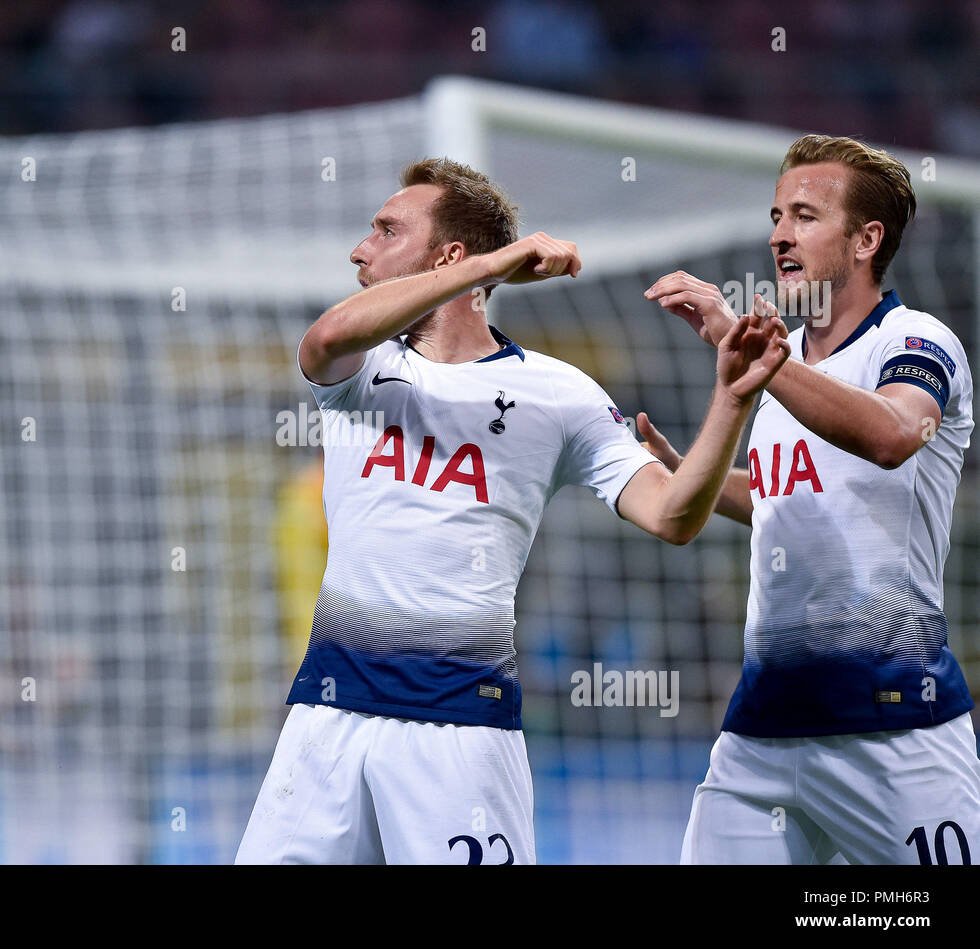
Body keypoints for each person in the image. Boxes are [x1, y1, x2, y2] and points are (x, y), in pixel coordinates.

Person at [236, 157, 788, 864]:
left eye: (385, 229)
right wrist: (492, 265)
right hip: (326, 718)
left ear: (447, 254)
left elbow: (673, 514)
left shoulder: (559, 394)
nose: (359, 247)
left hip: (459, 731)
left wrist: (732, 401)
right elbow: (324, 340)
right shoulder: (363, 369)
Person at [642, 134, 980, 864]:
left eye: (803, 214)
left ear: (866, 239)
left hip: (894, 727)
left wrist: (761, 361)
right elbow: (778, 495)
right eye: (775, 215)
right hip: (762, 733)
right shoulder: (782, 364)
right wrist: (684, 470)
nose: (778, 234)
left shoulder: (918, 342)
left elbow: (892, 434)